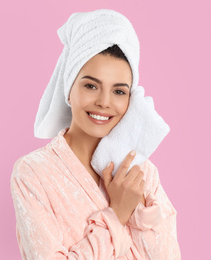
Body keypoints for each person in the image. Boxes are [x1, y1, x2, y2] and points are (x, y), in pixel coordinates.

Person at [10, 10, 181, 260]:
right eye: (91, 86)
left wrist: (137, 208)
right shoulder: (33, 173)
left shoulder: (141, 171)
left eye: (119, 92)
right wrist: (117, 214)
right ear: (69, 91)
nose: (104, 102)